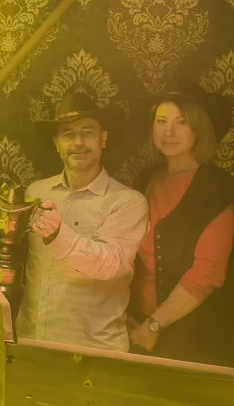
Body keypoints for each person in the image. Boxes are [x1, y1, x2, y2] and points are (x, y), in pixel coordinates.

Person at [16, 93, 149, 352]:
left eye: (87, 132)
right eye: (68, 134)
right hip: (31, 342)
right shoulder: (36, 193)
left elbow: (111, 265)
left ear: (103, 139)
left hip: (94, 351)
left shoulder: (128, 202)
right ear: (56, 144)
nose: (78, 142)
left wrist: (57, 236)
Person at [128, 79, 234, 365]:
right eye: (161, 121)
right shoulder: (146, 180)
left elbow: (207, 275)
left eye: (181, 122)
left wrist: (153, 326)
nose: (169, 131)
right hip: (134, 327)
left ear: (199, 130)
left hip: (191, 336)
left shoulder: (216, 188)